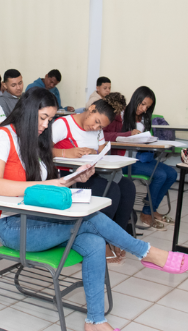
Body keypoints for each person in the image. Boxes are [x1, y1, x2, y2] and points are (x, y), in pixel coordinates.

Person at [0, 88, 188, 331]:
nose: (46, 125)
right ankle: (146, 253)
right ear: (28, 111)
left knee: (94, 242)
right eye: (43, 118)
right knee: (90, 218)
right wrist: (47, 184)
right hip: (14, 227)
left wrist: (71, 179)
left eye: (50, 119)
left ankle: (95, 322)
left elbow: (43, 186)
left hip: (40, 217)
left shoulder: (35, 139)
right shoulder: (3, 136)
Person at [52, 98, 137, 261]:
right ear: (91, 109)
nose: (95, 128)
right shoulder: (64, 124)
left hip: (91, 172)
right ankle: (99, 242)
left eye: (100, 127)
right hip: (69, 176)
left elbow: (101, 152)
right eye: (96, 122)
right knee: (111, 190)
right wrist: (66, 153)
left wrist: (95, 153)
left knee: (128, 187)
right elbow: (40, 149)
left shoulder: (97, 131)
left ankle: (115, 238)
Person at [118, 86, 176, 231]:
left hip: (140, 158)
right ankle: (146, 213)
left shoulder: (144, 118)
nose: (144, 109)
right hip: (125, 160)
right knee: (160, 175)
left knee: (172, 173)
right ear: (135, 99)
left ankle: (152, 209)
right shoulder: (121, 115)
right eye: (142, 104)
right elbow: (114, 136)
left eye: (147, 107)